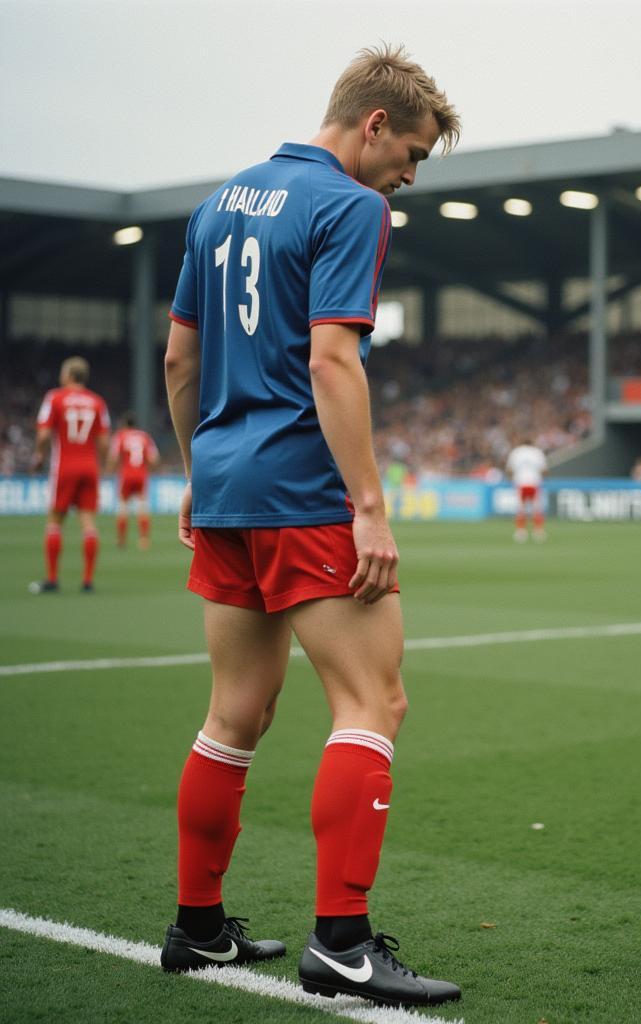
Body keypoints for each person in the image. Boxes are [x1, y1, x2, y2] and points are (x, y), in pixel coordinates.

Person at [160, 45, 461, 1008]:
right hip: (303, 491)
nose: (410, 176)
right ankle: (341, 941)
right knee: (374, 703)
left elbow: (179, 359)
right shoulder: (351, 206)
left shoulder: (220, 203)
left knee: (233, 714)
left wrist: (197, 472)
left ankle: (198, 928)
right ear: (372, 124)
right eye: (410, 151)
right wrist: (370, 506)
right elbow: (333, 362)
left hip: (228, 491)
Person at [29, 356, 110, 593]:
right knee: (88, 524)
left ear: (67, 375)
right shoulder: (97, 402)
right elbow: (104, 441)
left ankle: (52, 579)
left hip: (64, 466)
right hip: (89, 466)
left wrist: (39, 457)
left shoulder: (54, 397)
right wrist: (103, 466)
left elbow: (44, 436)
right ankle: (87, 581)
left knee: (55, 521)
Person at [107, 412, 160, 549]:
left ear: (124, 425)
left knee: (123, 507)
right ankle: (144, 540)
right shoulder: (144, 437)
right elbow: (154, 458)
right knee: (142, 507)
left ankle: (121, 540)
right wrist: (150, 469)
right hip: (141, 475)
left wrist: (110, 469)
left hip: (126, 475)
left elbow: (113, 457)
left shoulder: (120, 436)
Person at [506, 438, 548, 542]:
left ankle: (521, 532)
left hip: (520, 483)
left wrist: (513, 478)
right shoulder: (537, 452)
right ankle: (538, 532)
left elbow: (509, 469)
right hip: (534, 483)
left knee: (520, 509)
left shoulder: (516, 452)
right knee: (537, 508)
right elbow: (544, 470)